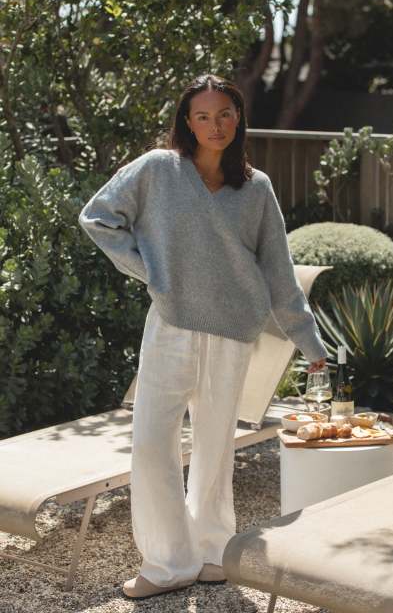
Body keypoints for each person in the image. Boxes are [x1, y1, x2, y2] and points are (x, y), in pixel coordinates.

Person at [78, 73, 328, 601]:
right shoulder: (157, 169)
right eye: (203, 116)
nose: (216, 125)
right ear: (187, 122)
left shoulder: (255, 188)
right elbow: (98, 218)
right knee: (152, 444)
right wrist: (151, 273)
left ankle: (214, 551)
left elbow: (278, 271)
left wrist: (309, 343)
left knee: (215, 449)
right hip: (171, 325)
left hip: (234, 332)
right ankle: (168, 563)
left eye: (225, 114)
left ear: (238, 119)